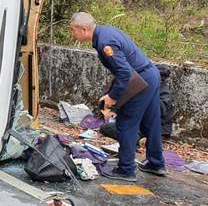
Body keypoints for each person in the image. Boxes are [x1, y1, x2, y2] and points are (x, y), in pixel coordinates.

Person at [70, 12, 166, 182]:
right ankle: (156, 163)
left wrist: (112, 98)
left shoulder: (104, 43)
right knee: (151, 122)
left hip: (139, 79)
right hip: (150, 74)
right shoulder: (106, 31)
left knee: (126, 123)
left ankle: (126, 169)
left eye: (73, 30)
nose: (73, 34)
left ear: (84, 29)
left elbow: (124, 73)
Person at [100, 64, 176, 141]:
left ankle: (138, 137)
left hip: (156, 127)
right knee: (107, 127)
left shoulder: (163, 92)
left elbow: (158, 112)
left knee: (107, 128)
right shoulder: (141, 85)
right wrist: (114, 111)